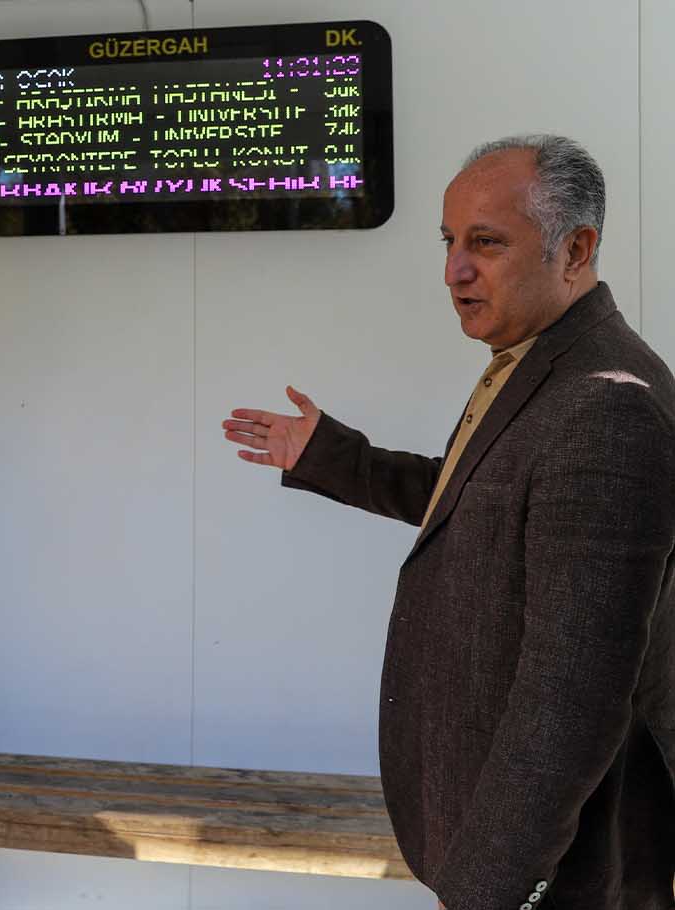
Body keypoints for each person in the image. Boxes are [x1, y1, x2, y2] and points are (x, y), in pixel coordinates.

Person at [223, 135, 675, 909]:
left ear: (576, 248)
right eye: (450, 241)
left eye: (486, 243)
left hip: (573, 871)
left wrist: (486, 889)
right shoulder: (546, 361)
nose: (453, 271)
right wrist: (334, 457)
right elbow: (481, 500)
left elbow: (571, 694)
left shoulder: (608, 404)